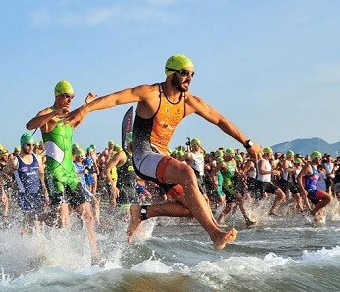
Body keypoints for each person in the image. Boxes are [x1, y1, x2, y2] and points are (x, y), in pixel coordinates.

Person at [66, 54, 262, 249]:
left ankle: (142, 212)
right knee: (187, 172)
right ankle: (215, 233)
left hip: (161, 157)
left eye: (193, 74)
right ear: (171, 73)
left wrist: (247, 142)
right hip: (144, 157)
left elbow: (220, 120)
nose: (189, 78)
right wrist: (86, 109)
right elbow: (116, 99)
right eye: (185, 73)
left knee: (194, 206)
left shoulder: (190, 102)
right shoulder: (151, 93)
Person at [26, 80, 98, 260]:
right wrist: (54, 113)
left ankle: (95, 254)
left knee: (87, 215)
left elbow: (81, 116)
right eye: (66, 96)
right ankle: (39, 218)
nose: (69, 100)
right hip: (55, 175)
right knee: (63, 222)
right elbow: (30, 125)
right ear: (57, 95)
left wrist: (86, 105)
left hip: (71, 175)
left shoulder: (69, 119)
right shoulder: (48, 114)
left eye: (72, 97)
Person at [0, 133, 48, 233]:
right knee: (33, 219)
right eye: (28, 145)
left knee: (33, 221)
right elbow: (1, 176)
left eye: (33, 145)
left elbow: (41, 173)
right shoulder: (15, 161)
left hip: (37, 193)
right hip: (24, 194)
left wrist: (44, 188)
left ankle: (21, 238)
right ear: (22, 145)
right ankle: (39, 245)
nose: (31, 147)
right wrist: (3, 192)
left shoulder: (37, 158)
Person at [297, 151, 332, 223]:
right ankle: (312, 213)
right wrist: (303, 189)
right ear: (314, 158)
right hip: (310, 191)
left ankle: (315, 226)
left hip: (314, 190)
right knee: (329, 198)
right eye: (319, 158)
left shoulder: (316, 167)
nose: (320, 159)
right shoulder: (308, 166)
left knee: (321, 212)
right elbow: (298, 177)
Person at [256, 147, 286, 216]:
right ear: (266, 153)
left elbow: (267, 174)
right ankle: (253, 213)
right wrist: (272, 172)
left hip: (268, 183)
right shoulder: (262, 161)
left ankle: (271, 210)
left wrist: (273, 174)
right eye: (271, 153)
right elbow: (261, 171)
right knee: (260, 200)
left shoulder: (267, 161)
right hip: (261, 183)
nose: (272, 155)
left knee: (281, 195)